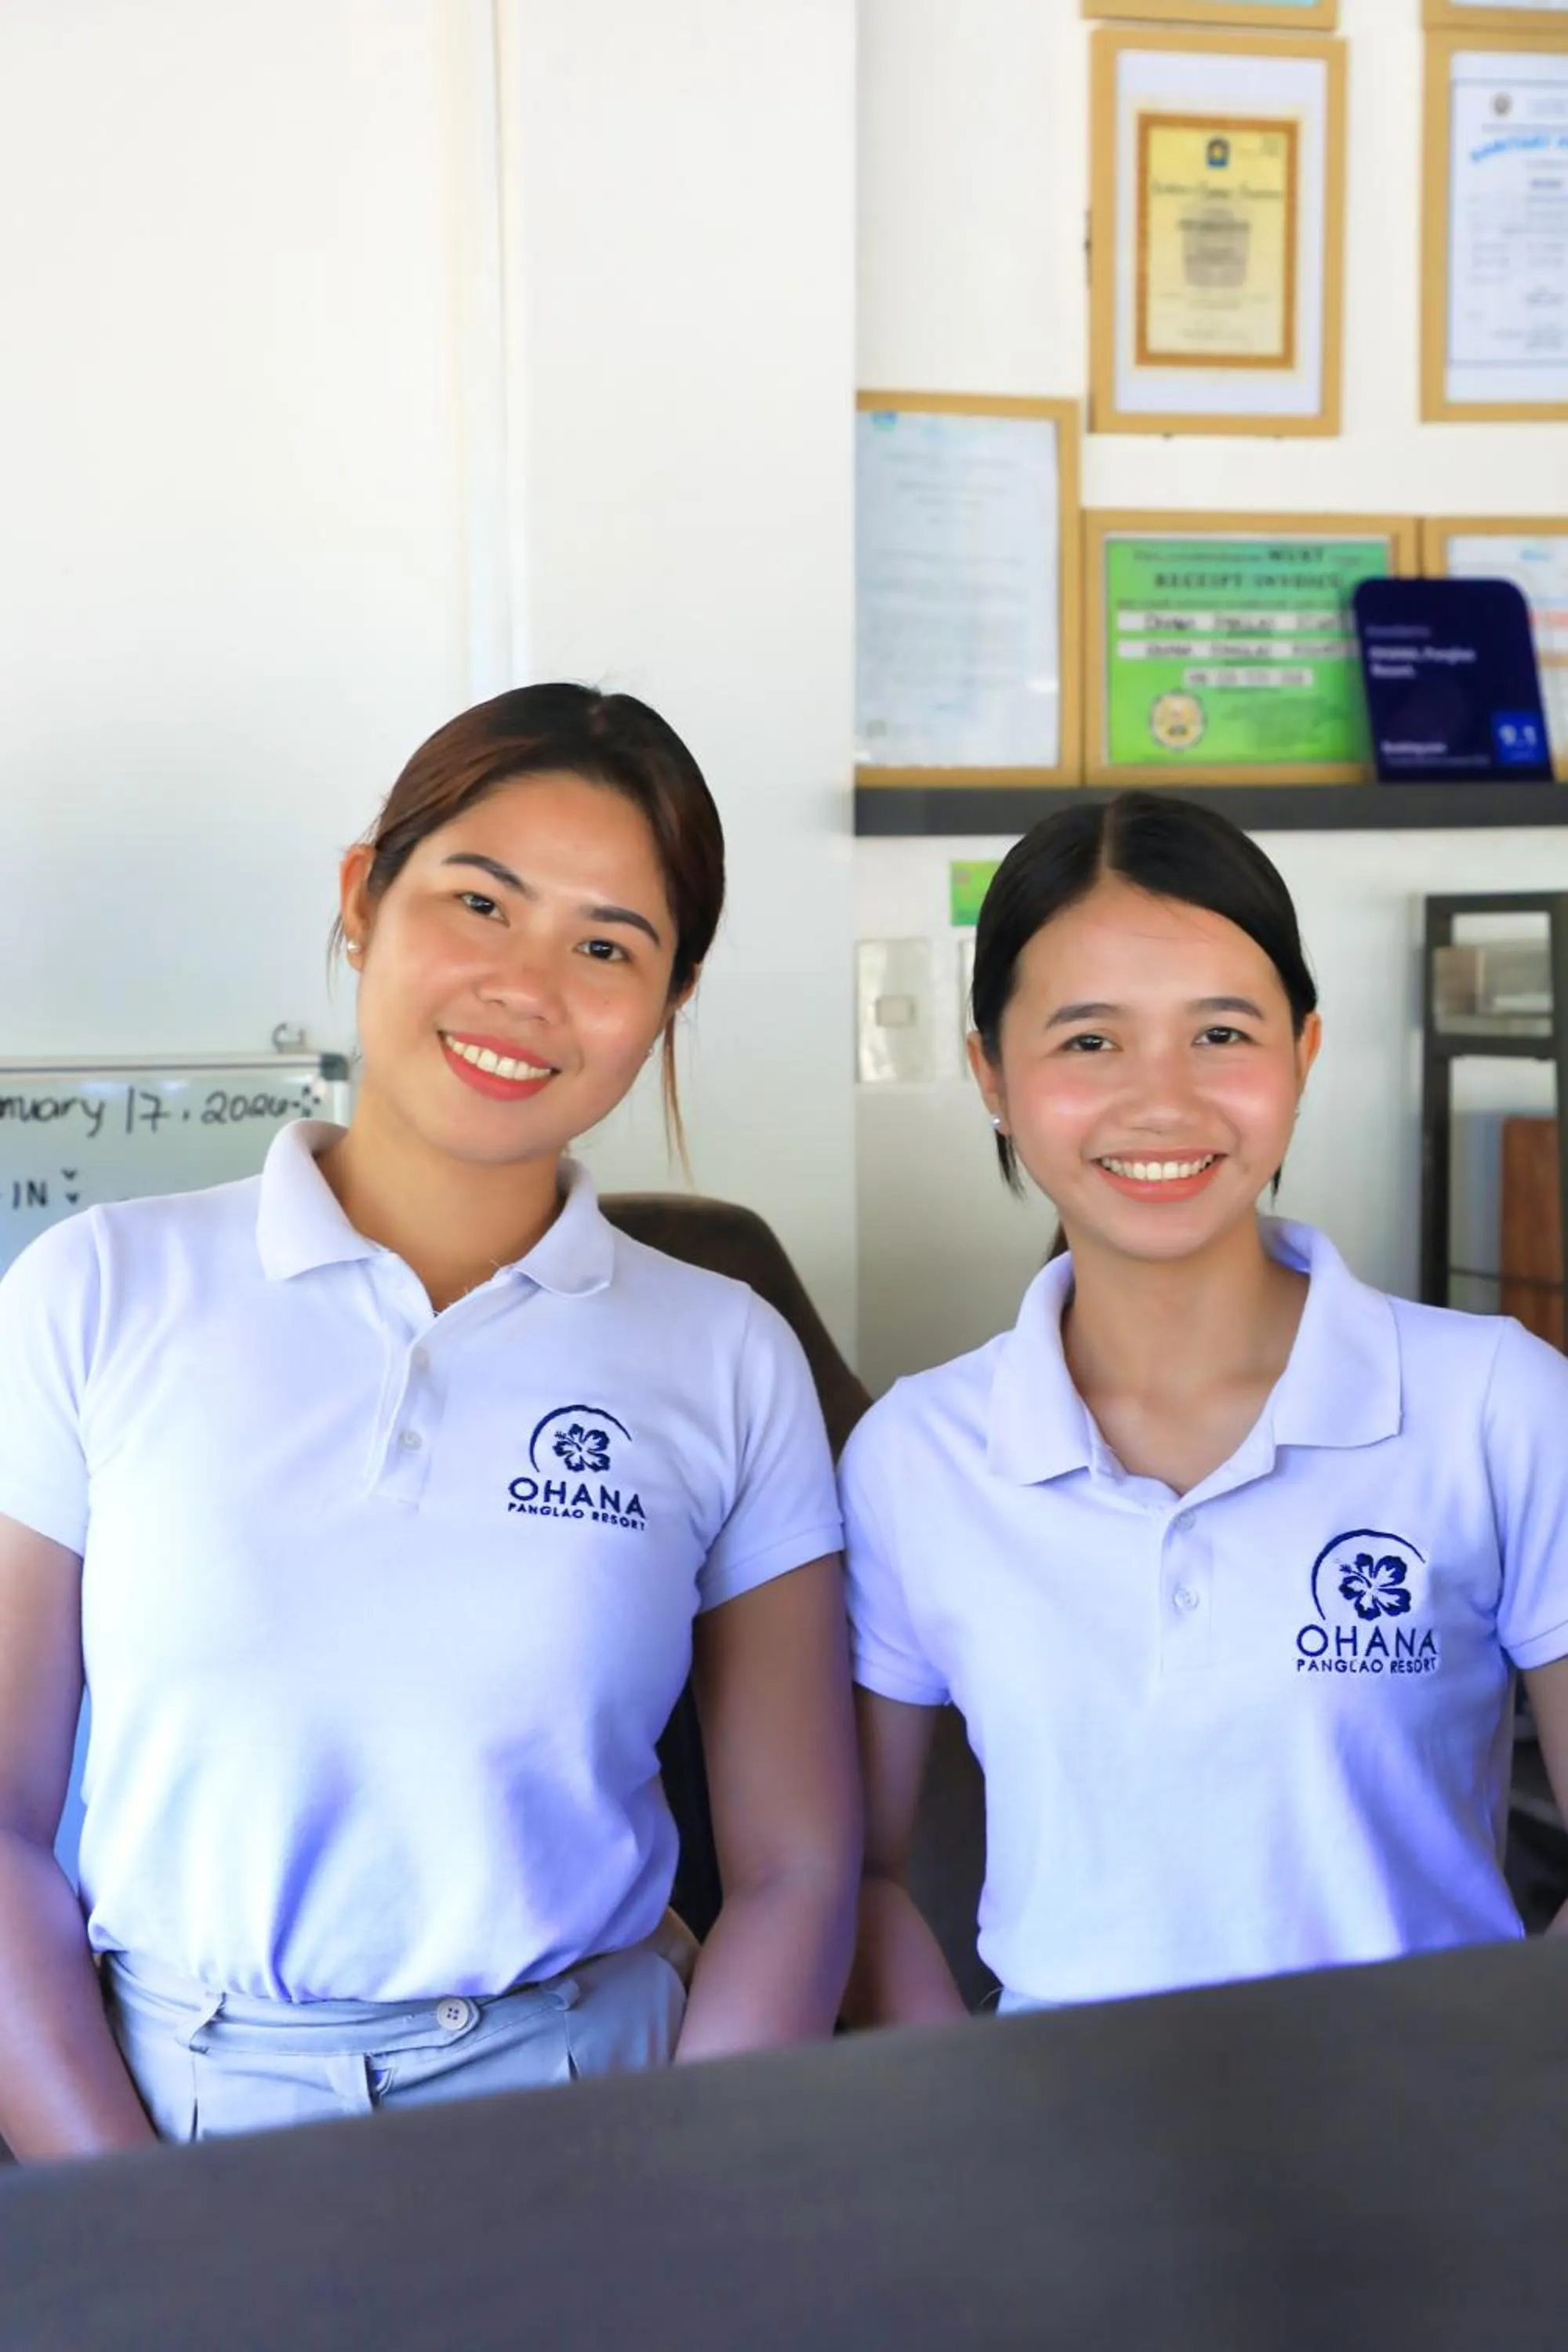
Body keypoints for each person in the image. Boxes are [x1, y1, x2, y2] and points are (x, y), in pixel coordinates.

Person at [0, 683, 859, 2160]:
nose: (528, 985)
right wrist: (123, 2209)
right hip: (179, 2112)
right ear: (362, 898)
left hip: (607, 2103)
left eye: (607, 945)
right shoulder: (99, 1290)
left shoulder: (726, 1351)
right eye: (480, 902)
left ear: (670, 1000)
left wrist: (696, 2183)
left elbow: (798, 1863)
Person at [840, 791, 1568, 2025]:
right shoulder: (919, 1453)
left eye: (1222, 1034)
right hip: (1054, 2151)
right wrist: (968, 2114)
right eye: (1088, 1042)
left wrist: (1489, 2099)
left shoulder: (1497, 1405)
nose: (1163, 1101)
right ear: (991, 1076)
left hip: (1423, 2143)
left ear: (1304, 1052)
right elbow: (854, 1876)